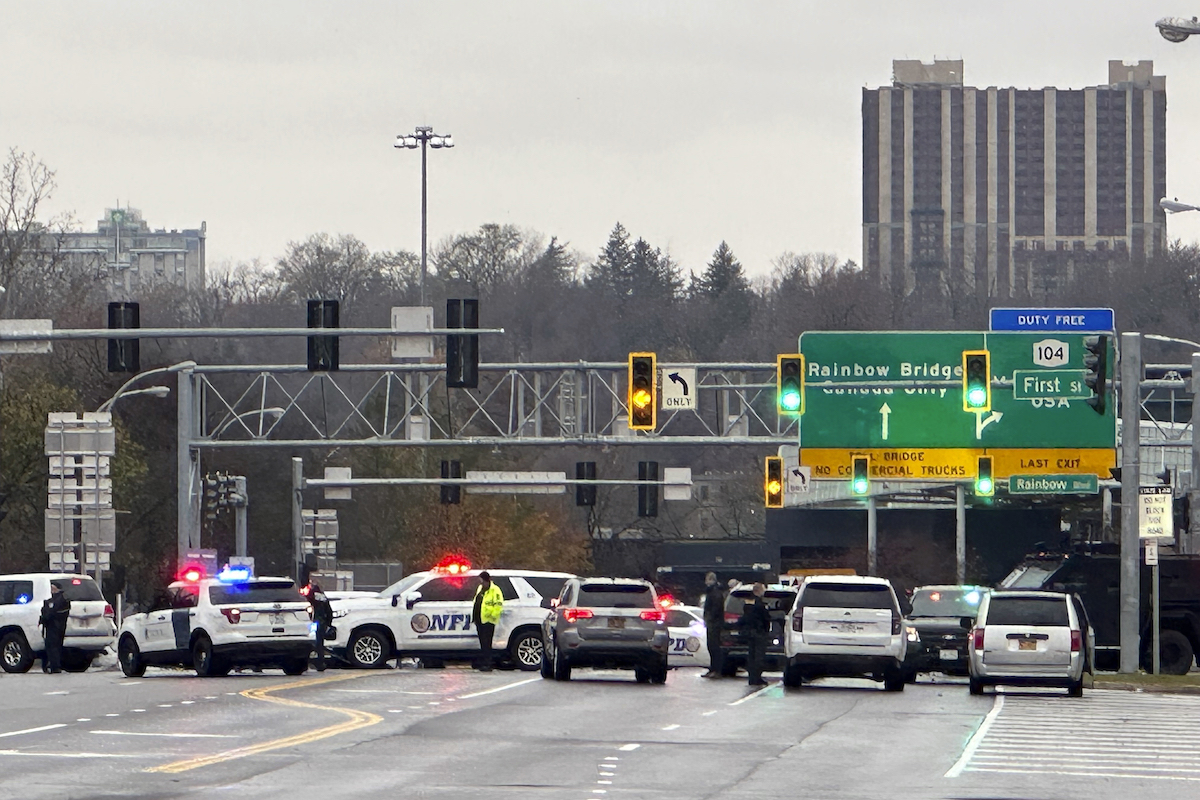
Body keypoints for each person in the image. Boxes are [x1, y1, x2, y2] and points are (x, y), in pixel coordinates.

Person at [740, 582, 771, 687]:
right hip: (759, 632)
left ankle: (752, 677)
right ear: (759, 591)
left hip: (750, 632)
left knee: (751, 655)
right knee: (758, 656)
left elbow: (745, 618)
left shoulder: (748, 603)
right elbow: (765, 618)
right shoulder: (760, 604)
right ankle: (757, 678)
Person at [471, 571, 504, 671]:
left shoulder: (495, 590)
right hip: (479, 620)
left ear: (486, 579)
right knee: (483, 643)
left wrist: (492, 616)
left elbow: (498, 605)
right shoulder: (480, 588)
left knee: (487, 643)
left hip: (488, 621)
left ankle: (488, 664)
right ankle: (484, 663)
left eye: (481, 580)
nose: (480, 582)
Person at [39, 583, 71, 674]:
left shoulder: (58, 600)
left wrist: (44, 617)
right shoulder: (62, 599)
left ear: (58, 589)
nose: (51, 590)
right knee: (55, 646)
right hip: (58, 626)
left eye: (53, 588)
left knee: (52, 646)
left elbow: (51, 612)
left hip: (54, 626)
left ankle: (55, 667)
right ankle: (54, 665)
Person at [700, 572, 725, 678]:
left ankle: (716, 669)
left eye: (707, 579)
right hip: (712, 622)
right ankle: (713, 668)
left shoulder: (715, 592)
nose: (706, 582)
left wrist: (709, 619)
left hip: (715, 623)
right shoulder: (712, 592)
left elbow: (715, 609)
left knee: (714, 646)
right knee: (711, 646)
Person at [308, 582, 334, 672]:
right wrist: (328, 624)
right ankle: (320, 663)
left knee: (310, 641)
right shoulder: (323, 597)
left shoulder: (309, 596)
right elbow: (329, 611)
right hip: (321, 623)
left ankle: (309, 661)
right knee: (320, 643)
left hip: (311, 622)